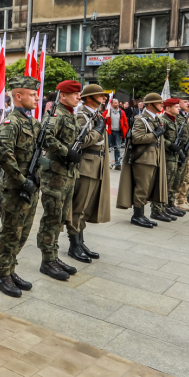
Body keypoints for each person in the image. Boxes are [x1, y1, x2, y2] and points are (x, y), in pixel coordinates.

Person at [0, 75, 42, 298]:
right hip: (15, 188)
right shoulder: (10, 123)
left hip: (31, 186)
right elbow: (4, 155)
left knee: (23, 233)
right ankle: (2, 274)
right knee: (11, 232)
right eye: (32, 94)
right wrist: (24, 181)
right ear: (19, 96)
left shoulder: (32, 122)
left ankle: (11, 269)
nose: (37, 97)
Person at [36, 81, 83, 281]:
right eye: (74, 93)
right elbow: (46, 137)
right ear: (62, 95)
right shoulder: (55, 114)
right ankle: (47, 261)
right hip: (55, 175)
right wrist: (66, 151)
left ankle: (53, 256)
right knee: (52, 218)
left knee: (61, 218)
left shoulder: (70, 114)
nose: (79, 97)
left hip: (67, 174)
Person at [67, 84, 110, 263]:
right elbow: (83, 140)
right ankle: (73, 245)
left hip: (96, 165)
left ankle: (80, 241)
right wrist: (99, 129)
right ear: (90, 98)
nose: (104, 98)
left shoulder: (94, 115)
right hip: (86, 166)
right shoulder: (81, 115)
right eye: (101, 95)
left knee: (85, 207)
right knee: (79, 207)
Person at [116, 92, 168, 227]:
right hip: (143, 159)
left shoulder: (155, 119)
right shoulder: (141, 119)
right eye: (159, 103)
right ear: (150, 104)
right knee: (142, 188)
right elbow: (137, 138)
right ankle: (137, 215)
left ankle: (141, 214)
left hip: (153, 158)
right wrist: (154, 135)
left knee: (148, 187)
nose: (162, 105)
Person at [158, 97, 185, 219]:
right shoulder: (163, 120)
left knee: (174, 182)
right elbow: (159, 138)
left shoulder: (174, 120)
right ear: (168, 108)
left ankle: (169, 205)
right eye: (176, 107)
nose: (179, 108)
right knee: (165, 184)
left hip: (174, 156)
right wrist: (170, 145)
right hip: (166, 156)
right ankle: (159, 209)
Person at [108, 97, 128, 170]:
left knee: (118, 148)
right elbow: (103, 121)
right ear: (112, 104)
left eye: (117, 103)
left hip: (118, 132)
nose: (117, 104)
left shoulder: (122, 112)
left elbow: (125, 123)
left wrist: (124, 132)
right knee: (107, 148)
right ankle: (105, 163)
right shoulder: (108, 111)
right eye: (115, 103)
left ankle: (118, 164)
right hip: (109, 132)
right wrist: (106, 117)